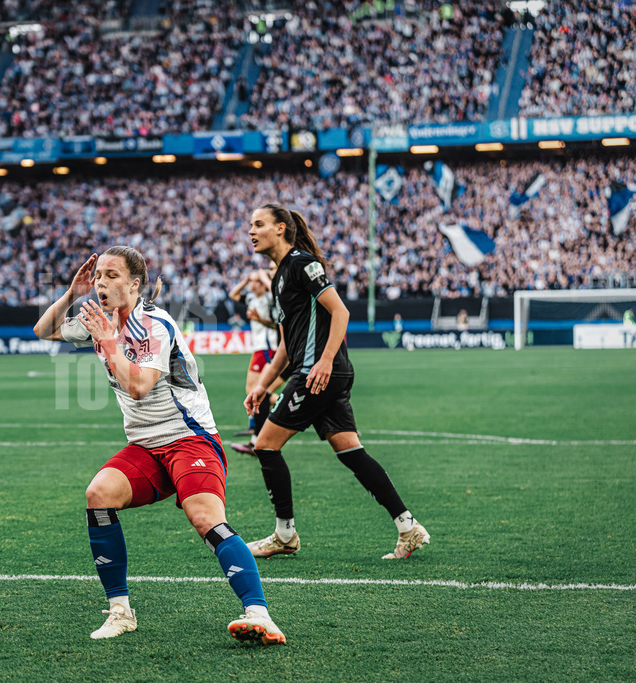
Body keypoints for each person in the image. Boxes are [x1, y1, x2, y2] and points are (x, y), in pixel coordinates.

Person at [34, 247, 286, 645]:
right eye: (97, 275)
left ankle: (259, 613)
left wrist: (108, 342)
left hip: (190, 439)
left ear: (134, 284)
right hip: (146, 446)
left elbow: (138, 387)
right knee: (98, 495)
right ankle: (120, 611)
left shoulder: (153, 323)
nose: (101, 283)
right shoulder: (99, 319)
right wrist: (71, 292)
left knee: (205, 518)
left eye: (111, 276)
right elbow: (43, 331)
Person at [242, 204, 430, 560]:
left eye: (258, 224)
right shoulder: (280, 275)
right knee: (351, 452)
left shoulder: (301, 263)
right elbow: (286, 343)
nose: (251, 231)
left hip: (318, 372)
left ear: (281, 228)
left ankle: (284, 535)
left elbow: (340, 311)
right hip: (316, 371)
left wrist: (325, 361)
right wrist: (263, 386)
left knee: (265, 445)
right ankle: (408, 527)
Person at [227, 269, 283, 454]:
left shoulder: (270, 298)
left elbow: (277, 321)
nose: (253, 285)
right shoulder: (251, 298)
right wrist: (247, 278)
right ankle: (257, 424)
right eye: (252, 282)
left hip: (269, 347)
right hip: (258, 348)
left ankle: (286, 408)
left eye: (256, 282)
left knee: (260, 392)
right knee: (252, 390)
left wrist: (265, 278)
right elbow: (233, 294)